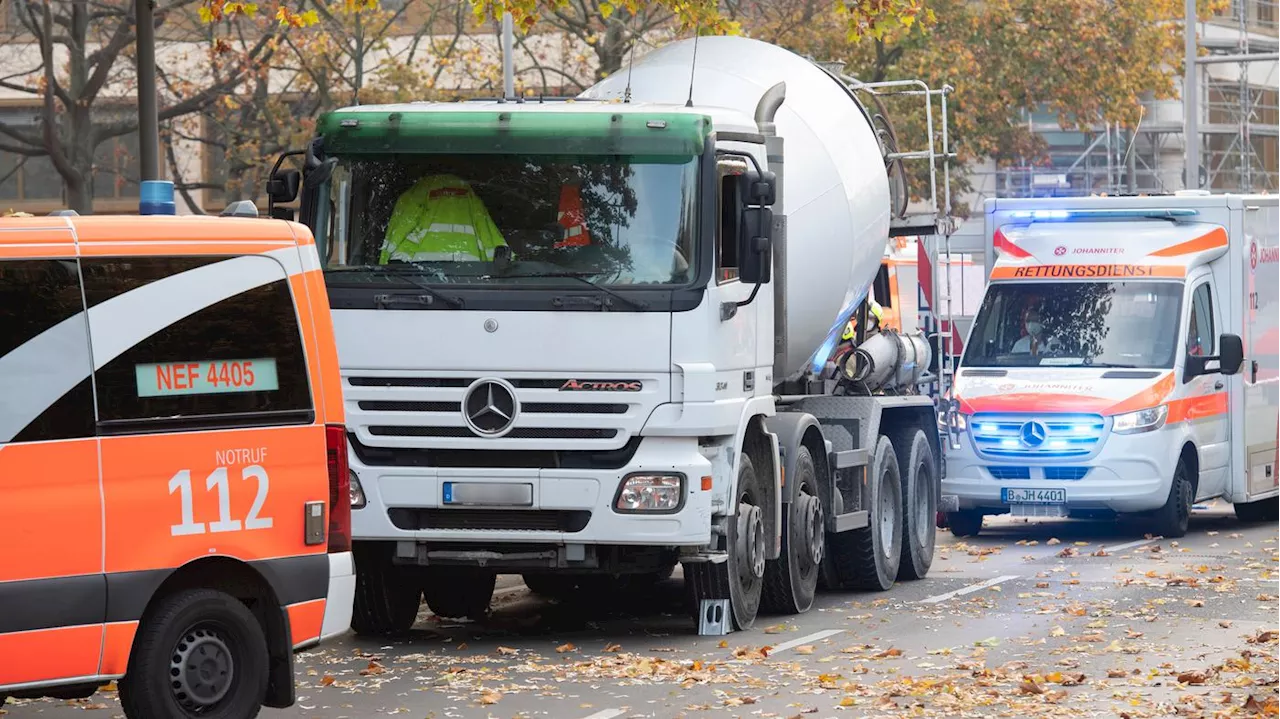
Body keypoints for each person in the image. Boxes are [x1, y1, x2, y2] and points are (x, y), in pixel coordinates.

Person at [380, 174, 509, 263]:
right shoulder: (469, 195)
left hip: (418, 283)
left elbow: (399, 228)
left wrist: (382, 266)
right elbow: (489, 235)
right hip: (468, 283)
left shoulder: (418, 191)